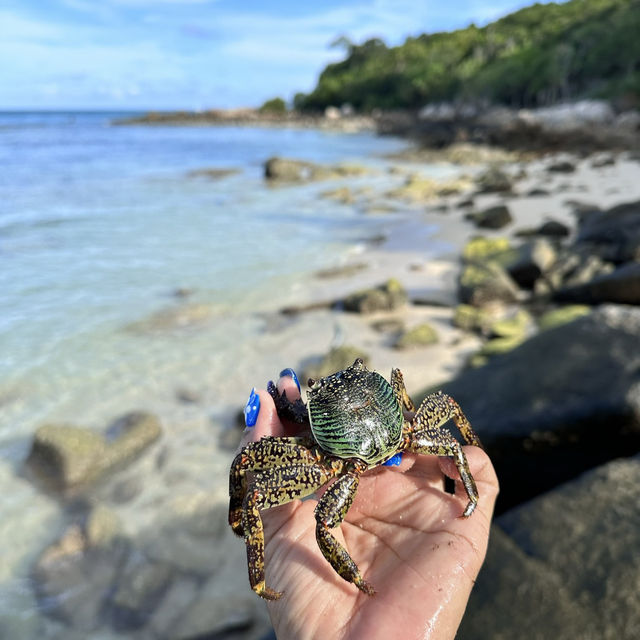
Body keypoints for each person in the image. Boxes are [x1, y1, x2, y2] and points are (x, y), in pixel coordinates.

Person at [238, 370, 499, 640]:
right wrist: (409, 409)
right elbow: (434, 410)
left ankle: (349, 579)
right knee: (453, 436)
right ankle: (471, 484)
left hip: (341, 467)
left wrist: (285, 408)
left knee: (258, 484)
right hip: (408, 438)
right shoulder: (392, 394)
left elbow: (250, 461)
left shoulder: (309, 439)